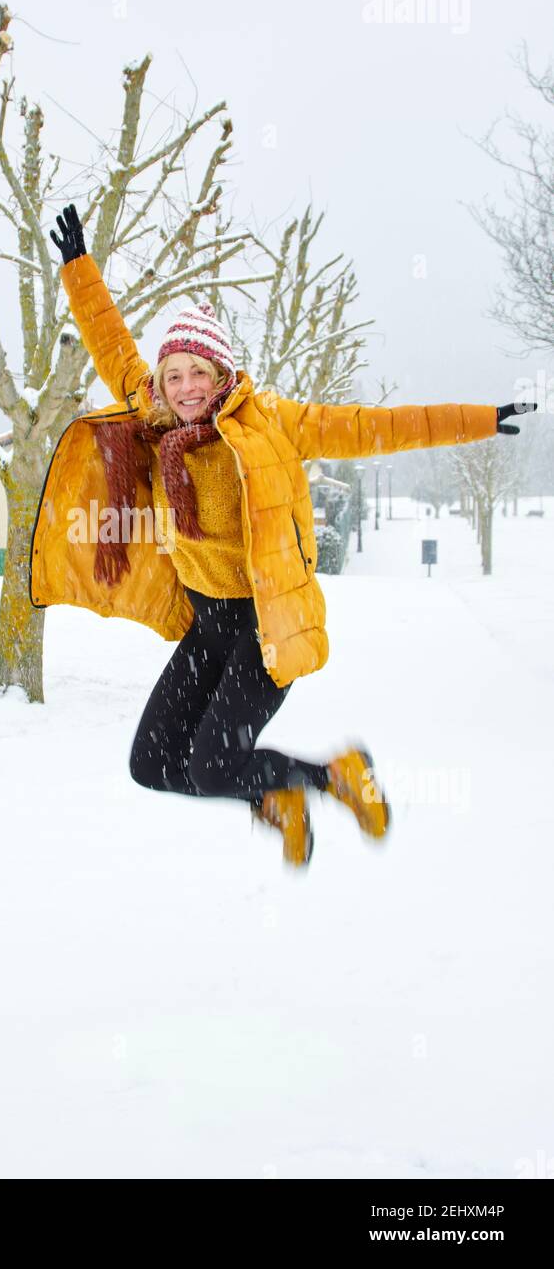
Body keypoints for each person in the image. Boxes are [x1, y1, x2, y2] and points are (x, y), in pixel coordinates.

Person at [29, 204, 536, 869]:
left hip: (266, 630)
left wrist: (478, 419)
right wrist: (77, 269)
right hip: (206, 626)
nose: (184, 388)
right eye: (173, 373)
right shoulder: (150, 415)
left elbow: (374, 426)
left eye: (197, 373)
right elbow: (109, 341)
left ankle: (335, 777)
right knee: (151, 763)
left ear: (221, 375)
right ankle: (278, 796)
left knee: (212, 767)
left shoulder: (270, 421)